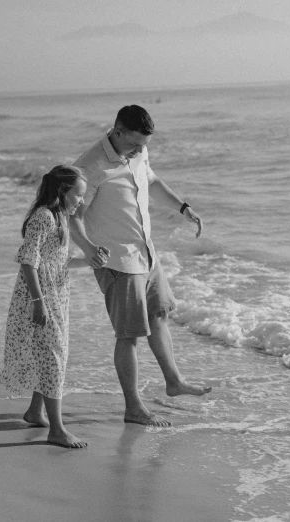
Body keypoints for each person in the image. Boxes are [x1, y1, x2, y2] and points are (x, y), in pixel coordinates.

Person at [70, 105, 211, 427]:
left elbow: (152, 180)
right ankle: (133, 408)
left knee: (159, 315)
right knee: (129, 335)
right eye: (134, 143)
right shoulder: (90, 167)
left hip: (145, 252)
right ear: (117, 131)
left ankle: (174, 382)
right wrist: (88, 249)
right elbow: (73, 214)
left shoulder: (138, 152)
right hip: (117, 259)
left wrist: (183, 208)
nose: (140, 150)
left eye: (144, 144)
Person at [0, 165, 108, 448]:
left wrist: (89, 260)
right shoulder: (44, 217)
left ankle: (36, 411)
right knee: (54, 358)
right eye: (79, 195)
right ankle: (57, 429)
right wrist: (39, 302)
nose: (82, 201)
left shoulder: (61, 218)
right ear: (62, 192)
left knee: (48, 355)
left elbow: (57, 263)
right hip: (40, 299)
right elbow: (28, 261)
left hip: (56, 298)